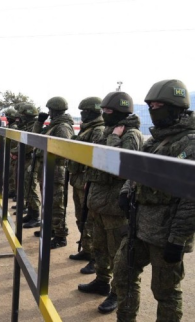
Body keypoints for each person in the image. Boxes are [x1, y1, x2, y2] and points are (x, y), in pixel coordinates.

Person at [113, 79, 195, 321]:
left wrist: (177, 239)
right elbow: (138, 169)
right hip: (139, 226)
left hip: (166, 232)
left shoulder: (189, 143)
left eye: (159, 105)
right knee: (122, 276)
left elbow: (190, 198)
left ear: (176, 107)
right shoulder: (155, 140)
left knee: (165, 291)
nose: (153, 110)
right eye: (151, 105)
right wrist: (127, 189)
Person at [78, 92, 143, 314]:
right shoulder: (108, 131)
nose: (104, 115)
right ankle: (101, 281)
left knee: (118, 254)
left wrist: (115, 139)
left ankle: (116, 292)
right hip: (98, 200)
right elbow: (96, 160)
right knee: (100, 247)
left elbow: (121, 167)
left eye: (108, 111)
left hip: (115, 206)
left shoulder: (130, 134)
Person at [31, 97, 74, 249]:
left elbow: (64, 149)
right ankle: (50, 229)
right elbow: (35, 139)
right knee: (47, 202)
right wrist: (39, 123)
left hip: (56, 169)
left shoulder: (62, 127)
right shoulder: (53, 125)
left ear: (55, 110)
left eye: (50, 110)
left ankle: (60, 236)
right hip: (48, 167)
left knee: (56, 204)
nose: (48, 113)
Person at [67, 97, 105, 274]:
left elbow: (95, 157)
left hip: (86, 180)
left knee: (89, 220)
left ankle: (94, 258)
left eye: (84, 111)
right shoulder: (86, 128)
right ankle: (87, 249)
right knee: (80, 216)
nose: (82, 114)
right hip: (78, 179)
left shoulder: (98, 130)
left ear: (92, 112)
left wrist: (89, 180)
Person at [11, 102, 39, 223]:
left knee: (29, 187)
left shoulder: (34, 127)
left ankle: (35, 215)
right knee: (24, 186)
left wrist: (14, 151)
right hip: (23, 159)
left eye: (21, 115)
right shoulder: (26, 126)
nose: (19, 118)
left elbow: (28, 146)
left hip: (30, 160)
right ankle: (30, 212)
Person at [4, 107, 19, 199]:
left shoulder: (14, 127)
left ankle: (14, 191)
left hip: (14, 153)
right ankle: (12, 190)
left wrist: (13, 152)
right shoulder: (10, 126)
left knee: (13, 174)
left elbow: (14, 141)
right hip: (11, 152)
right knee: (10, 173)